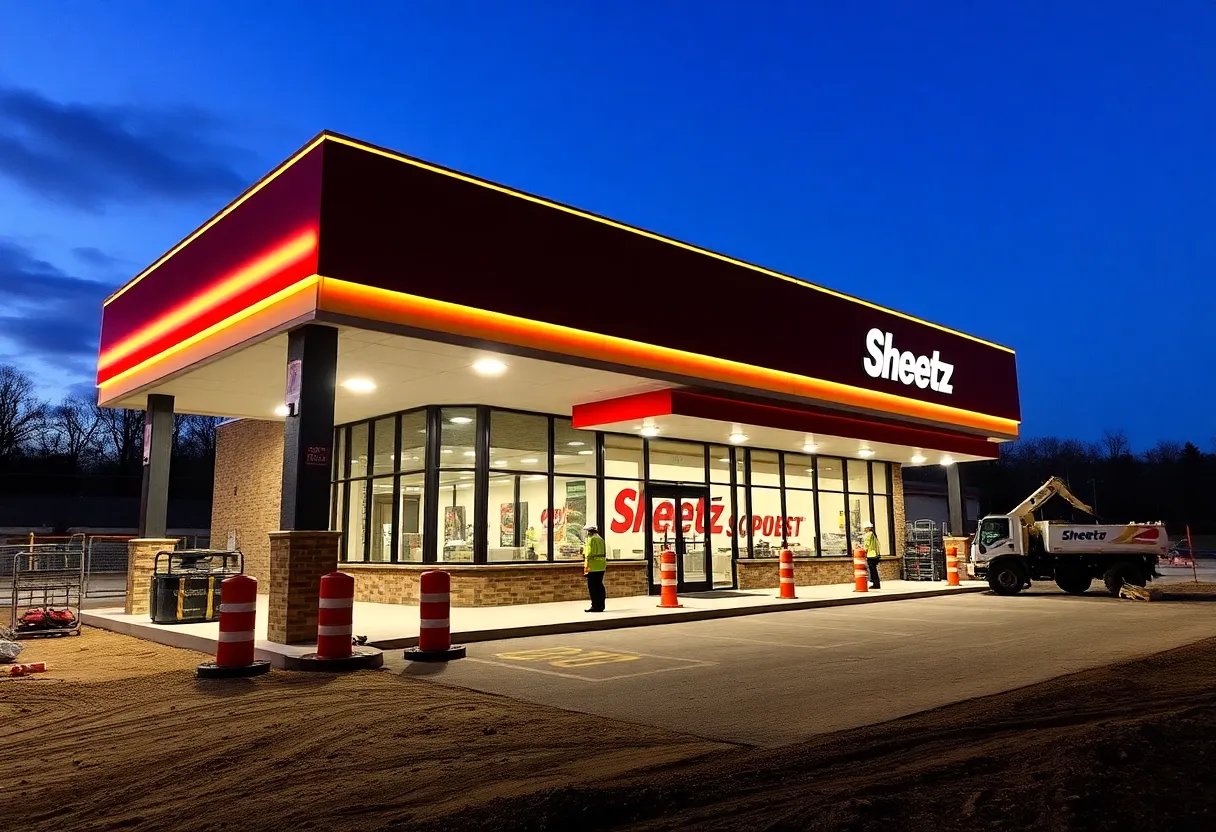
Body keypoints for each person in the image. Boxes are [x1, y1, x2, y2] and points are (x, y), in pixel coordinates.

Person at [583, 524, 607, 612]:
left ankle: (595, 605)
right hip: (601, 566)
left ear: (589, 532)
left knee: (592, 587)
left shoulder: (591, 539)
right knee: (600, 586)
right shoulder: (600, 539)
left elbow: (588, 554)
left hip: (593, 566)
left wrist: (586, 568)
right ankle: (601, 605)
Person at [863, 521, 881, 589]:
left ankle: (876, 584)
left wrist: (863, 551)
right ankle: (876, 583)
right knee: (874, 570)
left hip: (871, 555)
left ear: (867, 528)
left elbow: (866, 545)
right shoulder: (873, 534)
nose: (864, 530)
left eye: (865, 528)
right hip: (876, 554)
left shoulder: (868, 535)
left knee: (873, 570)